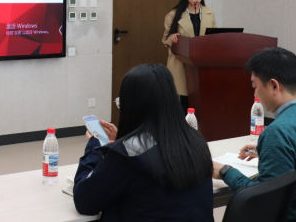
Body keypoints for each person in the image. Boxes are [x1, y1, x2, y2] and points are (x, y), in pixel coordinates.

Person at [73, 64, 213, 222]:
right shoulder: (196, 141)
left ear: (132, 108)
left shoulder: (126, 155)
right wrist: (122, 142)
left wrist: (95, 148)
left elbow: (84, 201)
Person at [213, 48, 296, 222]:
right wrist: (269, 150)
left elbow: (263, 202)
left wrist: (225, 171)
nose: (255, 94)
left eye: (255, 87)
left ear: (274, 86)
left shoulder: (279, 132)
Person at [162, 0, 217, 110]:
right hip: (181, 62)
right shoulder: (173, 14)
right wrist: (172, 38)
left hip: (202, 62)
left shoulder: (209, 12)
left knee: (200, 101)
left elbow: (214, 36)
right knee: (184, 101)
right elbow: (165, 39)